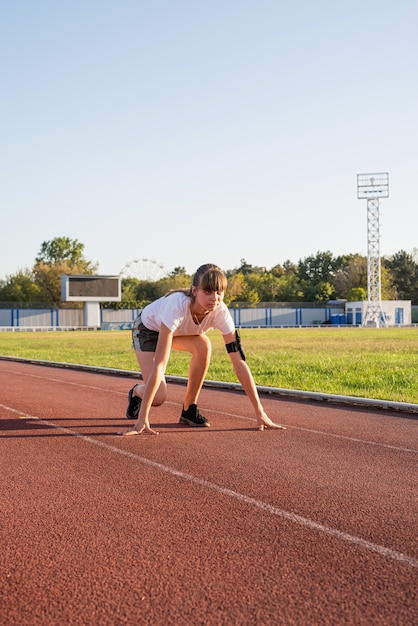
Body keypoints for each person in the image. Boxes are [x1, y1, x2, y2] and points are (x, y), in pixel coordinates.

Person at [120, 263, 286, 436]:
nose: (214, 298)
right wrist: (142, 420)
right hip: (148, 332)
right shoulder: (176, 306)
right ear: (194, 291)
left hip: (177, 331)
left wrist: (260, 413)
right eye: (208, 292)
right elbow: (160, 365)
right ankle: (137, 391)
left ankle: (189, 409)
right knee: (158, 397)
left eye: (219, 292)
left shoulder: (221, 313)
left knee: (204, 345)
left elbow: (239, 364)